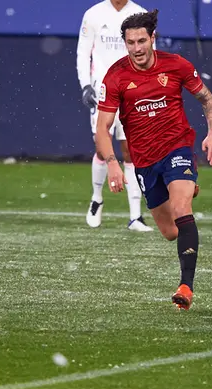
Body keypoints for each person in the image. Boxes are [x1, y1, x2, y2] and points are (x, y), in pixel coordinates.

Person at [95, 9, 212, 310]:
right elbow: (102, 127)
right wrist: (112, 162)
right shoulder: (116, 75)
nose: (136, 49)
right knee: (170, 231)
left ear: (153, 39)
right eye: (130, 43)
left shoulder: (176, 66)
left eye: (141, 41)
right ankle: (187, 185)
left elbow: (207, 99)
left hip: (177, 147)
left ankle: (186, 287)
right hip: (144, 161)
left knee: (181, 207)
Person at [77, 0, 154, 232]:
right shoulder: (93, 14)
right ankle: (97, 198)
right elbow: (83, 52)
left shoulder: (140, 14)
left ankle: (135, 216)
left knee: (131, 150)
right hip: (102, 90)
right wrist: (85, 85)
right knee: (102, 147)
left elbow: (152, 53)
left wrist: (148, 86)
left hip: (132, 92)